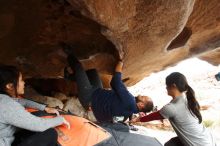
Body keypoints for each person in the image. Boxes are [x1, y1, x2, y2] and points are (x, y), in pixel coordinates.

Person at [63, 48, 154, 123]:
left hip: (89, 98)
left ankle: (69, 53)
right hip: (98, 94)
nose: (142, 95)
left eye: (144, 98)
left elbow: (115, 82)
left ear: (141, 105)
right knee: (93, 72)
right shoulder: (131, 111)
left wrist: (120, 63)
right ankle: (70, 78)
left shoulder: (130, 101)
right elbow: (113, 85)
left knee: (78, 67)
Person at [130, 72, 217, 146]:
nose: (166, 88)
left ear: (173, 86)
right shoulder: (188, 98)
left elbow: (151, 117)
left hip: (198, 144)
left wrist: (137, 119)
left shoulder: (172, 108)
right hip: (208, 139)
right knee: (170, 144)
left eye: (167, 85)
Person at [0, 65, 70, 146]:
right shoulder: (6, 104)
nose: (24, 82)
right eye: (20, 80)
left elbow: (21, 101)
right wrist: (60, 120)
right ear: (9, 86)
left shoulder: (3, 99)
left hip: (5, 136)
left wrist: (44, 108)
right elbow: (39, 125)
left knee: (32, 119)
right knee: (50, 134)